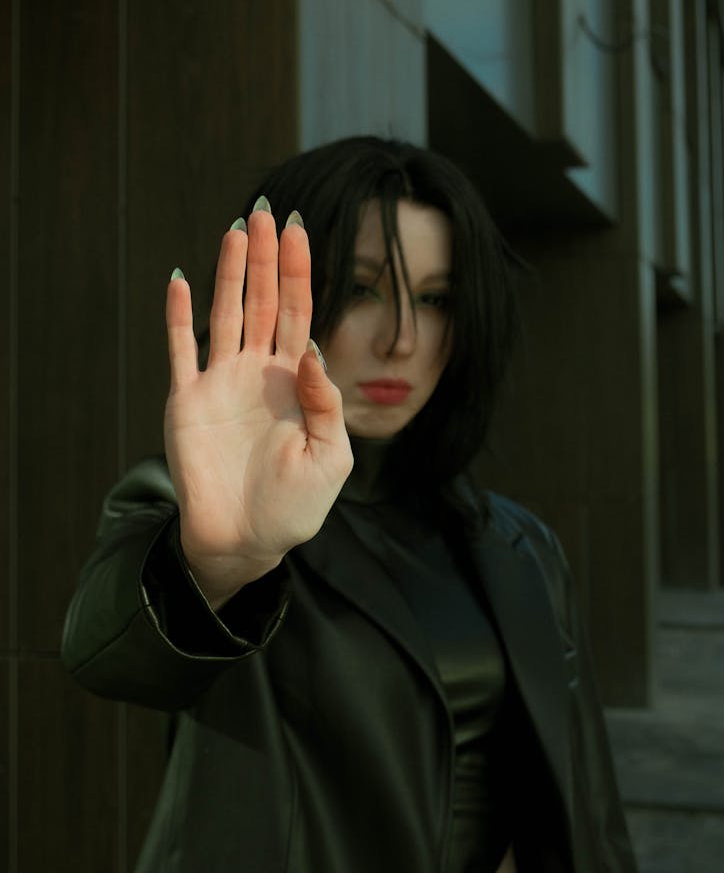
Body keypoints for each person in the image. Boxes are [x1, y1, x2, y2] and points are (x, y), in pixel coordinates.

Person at [62, 137, 637, 873]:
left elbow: (592, 818)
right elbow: (107, 655)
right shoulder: (210, 513)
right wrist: (218, 564)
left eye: (435, 299)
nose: (401, 339)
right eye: (362, 289)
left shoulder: (520, 546)